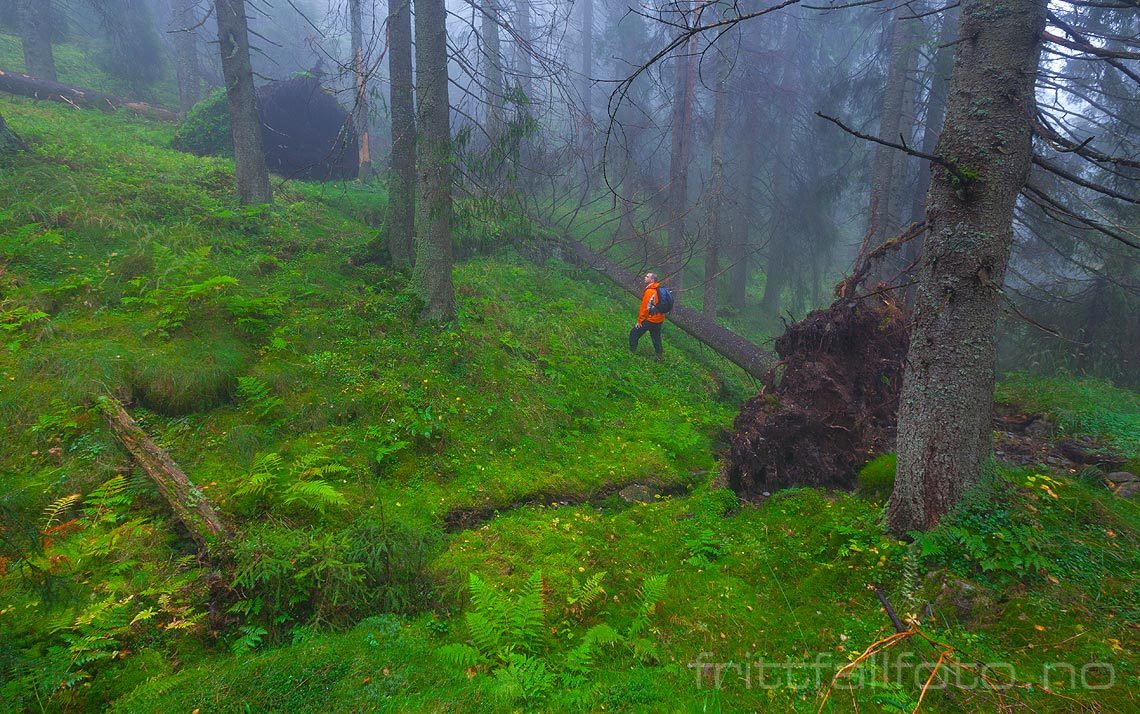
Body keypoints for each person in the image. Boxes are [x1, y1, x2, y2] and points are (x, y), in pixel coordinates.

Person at [629, 272, 666, 359]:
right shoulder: (659, 289)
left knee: (634, 333)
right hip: (659, 320)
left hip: (649, 319)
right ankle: (659, 356)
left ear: (652, 280)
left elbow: (645, 308)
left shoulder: (650, 291)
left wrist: (640, 321)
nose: (645, 277)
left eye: (647, 276)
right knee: (656, 338)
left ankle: (631, 352)